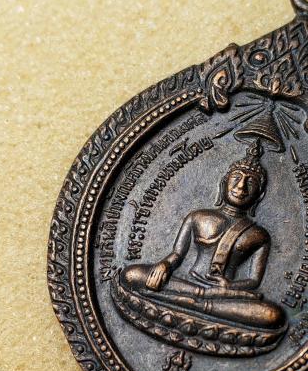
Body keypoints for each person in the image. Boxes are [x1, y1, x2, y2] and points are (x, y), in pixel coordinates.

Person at [121, 140, 284, 329]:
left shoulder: (259, 235)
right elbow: (177, 254)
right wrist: (164, 265)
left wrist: (229, 287)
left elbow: (254, 280)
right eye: (236, 178)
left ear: (260, 194)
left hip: (222, 294)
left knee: (272, 315)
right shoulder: (198, 217)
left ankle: (183, 304)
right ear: (224, 183)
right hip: (186, 284)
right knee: (132, 274)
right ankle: (200, 304)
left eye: (251, 182)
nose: (241, 187)